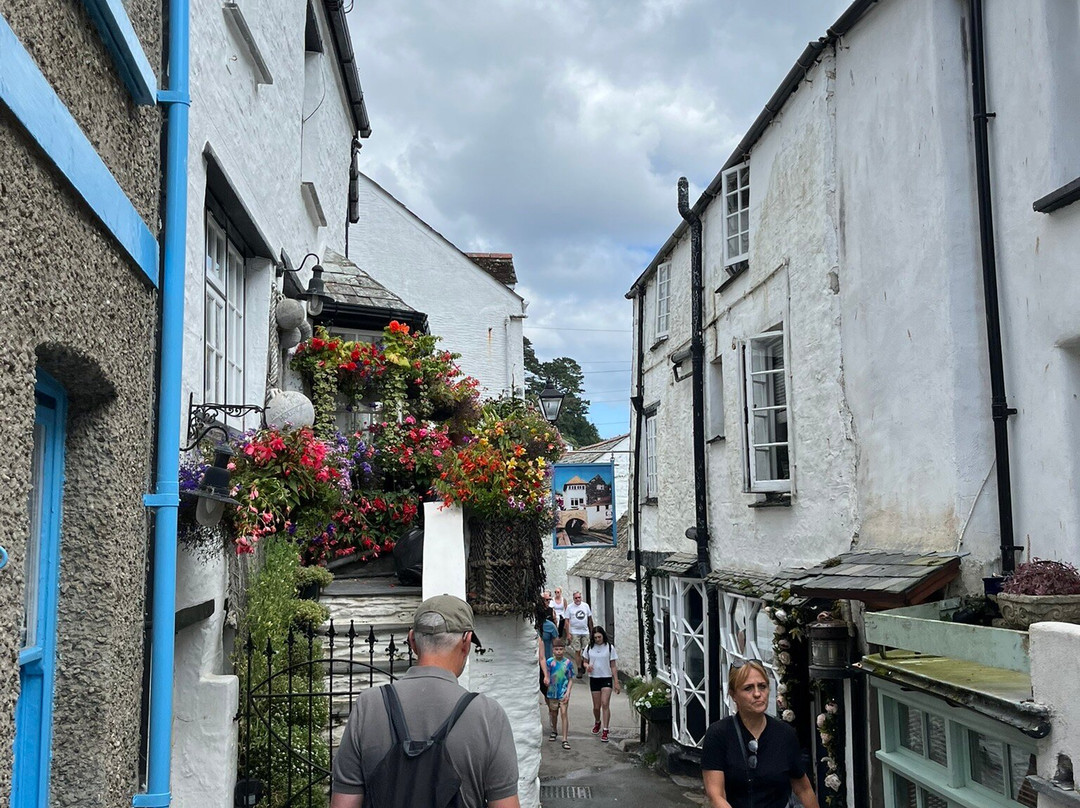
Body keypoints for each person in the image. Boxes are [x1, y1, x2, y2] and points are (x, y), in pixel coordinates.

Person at [331, 594, 520, 808]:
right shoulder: (487, 714)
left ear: (412, 640)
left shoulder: (369, 706)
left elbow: (343, 804)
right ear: (466, 641)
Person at [701, 660, 819, 808]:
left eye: (762, 686)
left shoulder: (784, 734)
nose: (757, 694)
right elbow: (715, 795)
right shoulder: (719, 734)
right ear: (733, 695)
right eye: (748, 688)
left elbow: (803, 788)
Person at [582, 626, 619, 742]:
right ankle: (598, 721)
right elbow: (585, 662)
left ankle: (605, 729)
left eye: (599, 637)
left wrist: (616, 681)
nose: (598, 639)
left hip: (606, 677)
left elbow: (613, 665)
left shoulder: (609, 648)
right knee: (596, 707)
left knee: (605, 703)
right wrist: (587, 666)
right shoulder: (589, 647)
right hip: (594, 678)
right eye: (595, 637)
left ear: (603, 636)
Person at [544, 639, 575, 750]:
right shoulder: (549, 662)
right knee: (553, 713)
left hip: (563, 692)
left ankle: (565, 739)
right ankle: (554, 730)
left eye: (561, 649)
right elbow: (547, 675)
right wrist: (546, 680)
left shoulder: (568, 663)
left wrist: (568, 692)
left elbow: (571, 678)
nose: (559, 651)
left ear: (564, 650)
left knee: (563, 713)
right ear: (553, 650)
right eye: (556, 649)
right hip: (552, 692)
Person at [564, 591, 593, 677]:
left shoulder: (585, 606)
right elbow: (567, 621)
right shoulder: (570, 607)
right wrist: (568, 634)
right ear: (573, 599)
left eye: (579, 597)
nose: (577, 599)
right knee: (577, 651)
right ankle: (579, 668)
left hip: (585, 631)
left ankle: (583, 663)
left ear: (581, 598)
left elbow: (589, 619)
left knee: (586, 650)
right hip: (574, 632)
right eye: (576, 598)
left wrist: (592, 631)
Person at [537, 604, 559, 690]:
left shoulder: (550, 626)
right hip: (534, 662)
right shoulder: (532, 626)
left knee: (547, 689)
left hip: (547, 660)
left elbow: (556, 644)